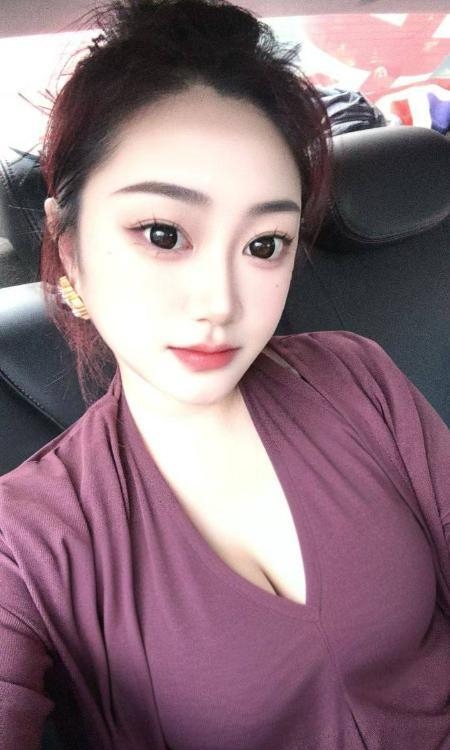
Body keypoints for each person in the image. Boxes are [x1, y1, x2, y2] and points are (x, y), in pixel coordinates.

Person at [0, 1, 449, 749]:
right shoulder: (26, 537)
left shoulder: (356, 378)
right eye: (164, 233)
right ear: (68, 246)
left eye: (265, 244)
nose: (221, 303)